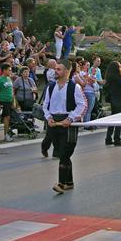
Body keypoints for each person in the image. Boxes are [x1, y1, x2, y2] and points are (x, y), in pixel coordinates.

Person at [42, 64, 87, 194]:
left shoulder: (74, 87)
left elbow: (82, 105)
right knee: (62, 153)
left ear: (67, 71)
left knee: (65, 153)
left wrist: (71, 118)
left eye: (59, 69)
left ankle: (61, 184)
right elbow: (45, 105)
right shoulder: (51, 86)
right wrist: (49, 118)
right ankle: (69, 182)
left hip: (68, 124)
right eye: (55, 69)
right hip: (54, 123)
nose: (56, 71)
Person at [103, 61, 121, 147]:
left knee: (113, 119)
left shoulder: (110, 77)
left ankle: (108, 138)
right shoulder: (117, 77)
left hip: (113, 99)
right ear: (116, 68)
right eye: (120, 66)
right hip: (118, 99)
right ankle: (117, 139)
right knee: (118, 120)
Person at [0, 64, 16, 142]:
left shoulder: (9, 79)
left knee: (8, 118)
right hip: (3, 100)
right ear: (4, 70)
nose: (10, 71)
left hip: (9, 101)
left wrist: (13, 101)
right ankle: (5, 134)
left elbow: (12, 91)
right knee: (6, 118)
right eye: (9, 70)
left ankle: (5, 133)